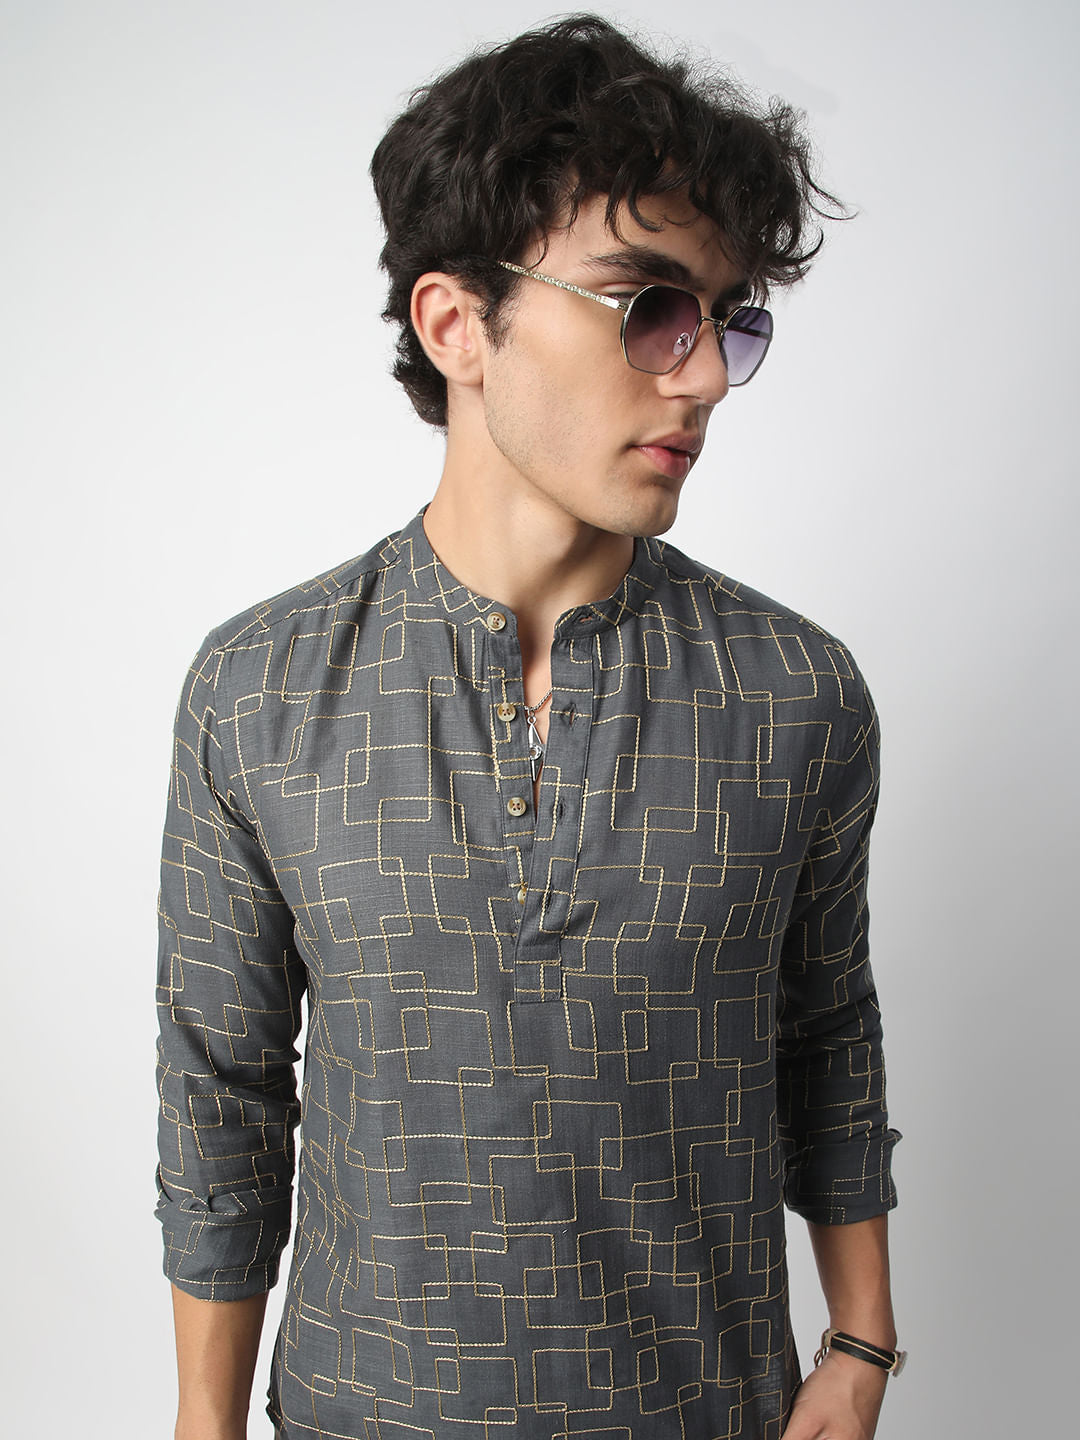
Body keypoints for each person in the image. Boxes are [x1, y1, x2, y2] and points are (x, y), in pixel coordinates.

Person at [155, 15, 902, 1439]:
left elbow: (826, 1031)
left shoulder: (796, 692)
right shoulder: (258, 688)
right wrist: (204, 1426)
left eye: (727, 318)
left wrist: (861, 1340)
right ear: (458, 325)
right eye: (648, 304)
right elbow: (221, 1091)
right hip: (362, 1412)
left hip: (709, 1408)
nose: (702, 375)